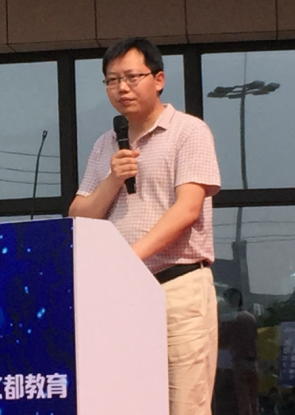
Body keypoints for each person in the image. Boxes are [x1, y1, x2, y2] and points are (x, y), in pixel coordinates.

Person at [68, 37, 221, 415]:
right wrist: (113, 180)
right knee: (125, 402)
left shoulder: (189, 131)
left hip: (177, 286)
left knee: (184, 405)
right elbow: (78, 216)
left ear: (159, 79)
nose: (122, 88)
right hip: (120, 295)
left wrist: (128, 261)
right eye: (112, 80)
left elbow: (188, 209)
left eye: (132, 77)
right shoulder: (105, 144)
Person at [220, 288, 259, 415]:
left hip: (239, 363)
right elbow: (255, 340)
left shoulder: (230, 319)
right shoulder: (251, 318)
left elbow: (222, 340)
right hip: (253, 363)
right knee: (253, 401)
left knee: (243, 401)